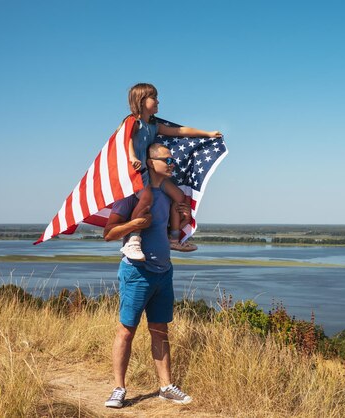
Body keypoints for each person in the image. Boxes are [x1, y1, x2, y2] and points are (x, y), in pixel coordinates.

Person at [103, 143, 193, 408]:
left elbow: (164, 233)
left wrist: (184, 219)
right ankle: (118, 388)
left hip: (163, 272)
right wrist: (133, 225)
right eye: (167, 160)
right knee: (126, 331)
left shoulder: (166, 195)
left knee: (160, 330)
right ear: (150, 162)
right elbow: (109, 233)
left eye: (173, 160)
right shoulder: (131, 194)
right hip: (136, 272)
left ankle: (166, 386)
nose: (172, 164)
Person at [120, 83, 222, 259]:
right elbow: (125, 138)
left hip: (149, 172)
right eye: (154, 98)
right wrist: (132, 157)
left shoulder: (154, 125)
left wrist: (207, 134)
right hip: (136, 172)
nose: (158, 101)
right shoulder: (132, 122)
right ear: (142, 100)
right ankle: (133, 240)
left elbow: (179, 131)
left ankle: (173, 238)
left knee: (179, 197)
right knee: (146, 198)